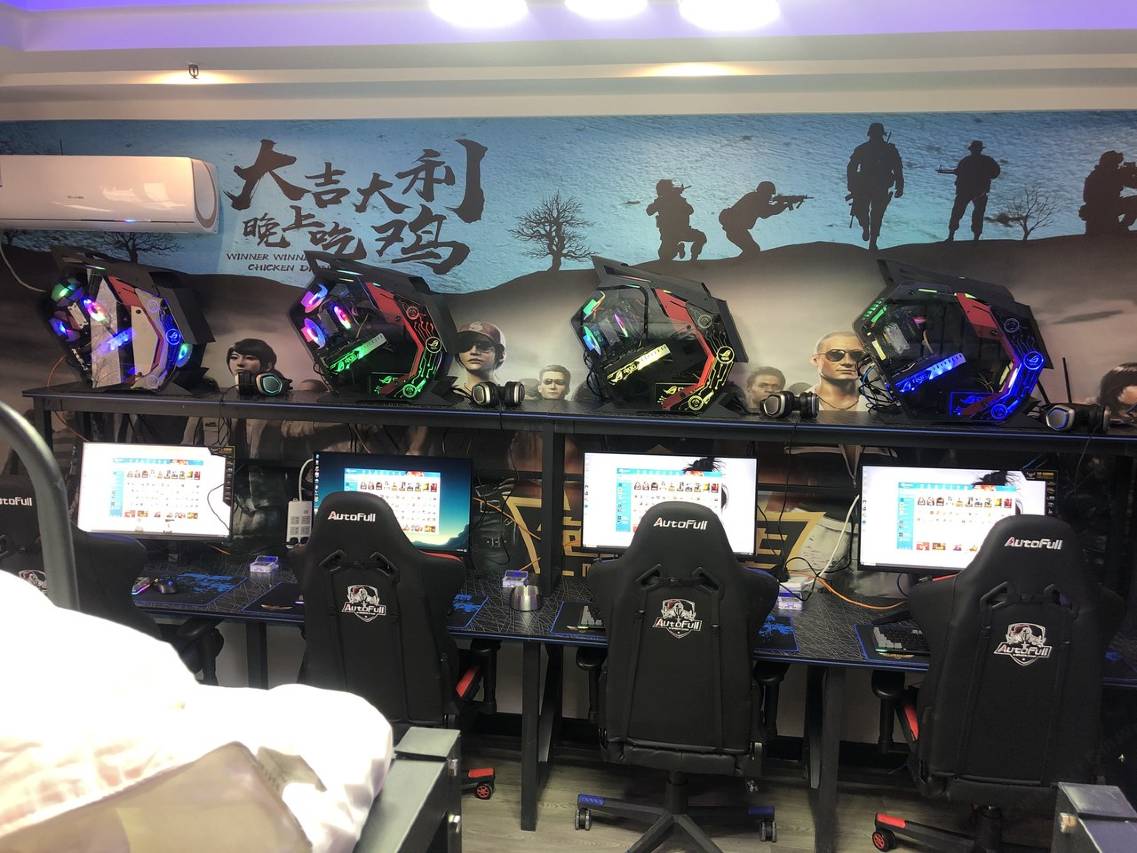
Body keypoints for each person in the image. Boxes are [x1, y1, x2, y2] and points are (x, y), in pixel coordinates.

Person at [847, 122, 904, 251]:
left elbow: (898, 168)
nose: (875, 137)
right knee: (861, 212)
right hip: (864, 187)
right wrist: (851, 185)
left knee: (877, 215)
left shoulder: (889, 150)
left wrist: (900, 185)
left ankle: (872, 241)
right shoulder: (862, 149)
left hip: (880, 187)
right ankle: (865, 228)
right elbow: (851, 167)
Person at [718, 181, 796, 257]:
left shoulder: (754, 197)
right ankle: (737, 265)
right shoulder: (754, 198)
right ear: (764, 192)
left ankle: (738, 264)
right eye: (769, 194)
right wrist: (783, 204)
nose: (770, 197)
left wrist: (783, 204)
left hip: (737, 231)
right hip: (736, 231)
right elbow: (766, 213)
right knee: (753, 250)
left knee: (752, 250)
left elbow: (767, 211)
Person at [944, 140, 1001, 242]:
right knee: (967, 213)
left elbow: (995, 172)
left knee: (960, 213)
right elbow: (996, 173)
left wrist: (985, 178)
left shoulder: (966, 160)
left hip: (971, 191)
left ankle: (954, 236)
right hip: (974, 191)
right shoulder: (986, 160)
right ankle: (972, 238)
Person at [645, 179, 706, 262]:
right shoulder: (664, 200)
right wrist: (673, 197)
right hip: (671, 235)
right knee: (665, 257)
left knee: (701, 237)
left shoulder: (673, 199)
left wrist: (675, 197)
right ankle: (680, 249)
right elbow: (649, 211)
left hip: (679, 232)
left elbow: (690, 210)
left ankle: (692, 259)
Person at [1081, 151, 1137, 236]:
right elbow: (1088, 198)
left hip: (1106, 210)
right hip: (1099, 214)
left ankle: (1121, 228)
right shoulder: (1100, 176)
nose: (1117, 166)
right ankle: (1121, 228)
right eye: (1115, 164)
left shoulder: (1112, 175)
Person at [808, 331, 866, 411]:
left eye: (857, 355)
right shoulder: (796, 406)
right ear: (815, 360)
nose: (848, 362)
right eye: (835, 354)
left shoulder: (879, 401)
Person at [454, 321, 506, 395]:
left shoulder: (511, 398)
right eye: (465, 345)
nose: (474, 351)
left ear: (500, 355)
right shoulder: (448, 396)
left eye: (484, 346)